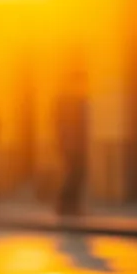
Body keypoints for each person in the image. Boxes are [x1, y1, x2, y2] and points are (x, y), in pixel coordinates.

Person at [55, 75, 89, 217]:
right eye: (80, 82)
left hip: (75, 143)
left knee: (76, 174)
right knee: (74, 174)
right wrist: (67, 143)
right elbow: (64, 125)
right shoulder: (69, 101)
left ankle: (70, 206)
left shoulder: (75, 100)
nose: (83, 86)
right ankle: (66, 206)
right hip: (72, 144)